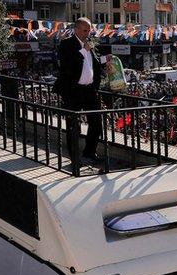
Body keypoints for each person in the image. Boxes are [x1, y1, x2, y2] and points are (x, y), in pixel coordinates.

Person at [53, 17, 111, 164]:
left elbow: (94, 63)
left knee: (96, 123)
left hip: (90, 90)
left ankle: (90, 152)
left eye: (89, 30)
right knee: (73, 125)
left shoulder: (89, 43)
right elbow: (66, 66)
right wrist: (83, 51)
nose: (88, 33)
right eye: (85, 30)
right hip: (73, 91)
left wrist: (106, 61)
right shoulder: (66, 44)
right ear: (76, 29)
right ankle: (74, 158)